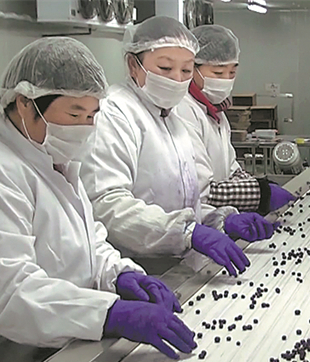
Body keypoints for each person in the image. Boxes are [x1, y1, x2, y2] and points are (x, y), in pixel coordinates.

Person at [0, 38, 197, 362]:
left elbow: (85, 241)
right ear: (25, 104)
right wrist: (109, 313)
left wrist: (117, 274)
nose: (85, 127)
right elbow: (11, 294)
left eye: (92, 115)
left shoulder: (52, 159)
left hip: (28, 359)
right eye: (74, 114)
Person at [80, 17, 275, 278]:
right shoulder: (114, 113)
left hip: (179, 266)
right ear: (132, 65)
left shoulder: (170, 118)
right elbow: (108, 206)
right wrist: (186, 232)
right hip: (135, 271)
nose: (176, 79)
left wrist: (218, 220)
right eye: (165, 68)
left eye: (186, 70)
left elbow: (183, 203)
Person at [174, 25, 296, 216]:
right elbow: (200, 191)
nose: (226, 80)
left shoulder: (217, 112)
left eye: (232, 73)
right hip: (194, 222)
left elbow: (232, 169)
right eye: (218, 73)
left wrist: (257, 183)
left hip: (218, 218)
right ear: (192, 68)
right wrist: (260, 193)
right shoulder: (182, 111)